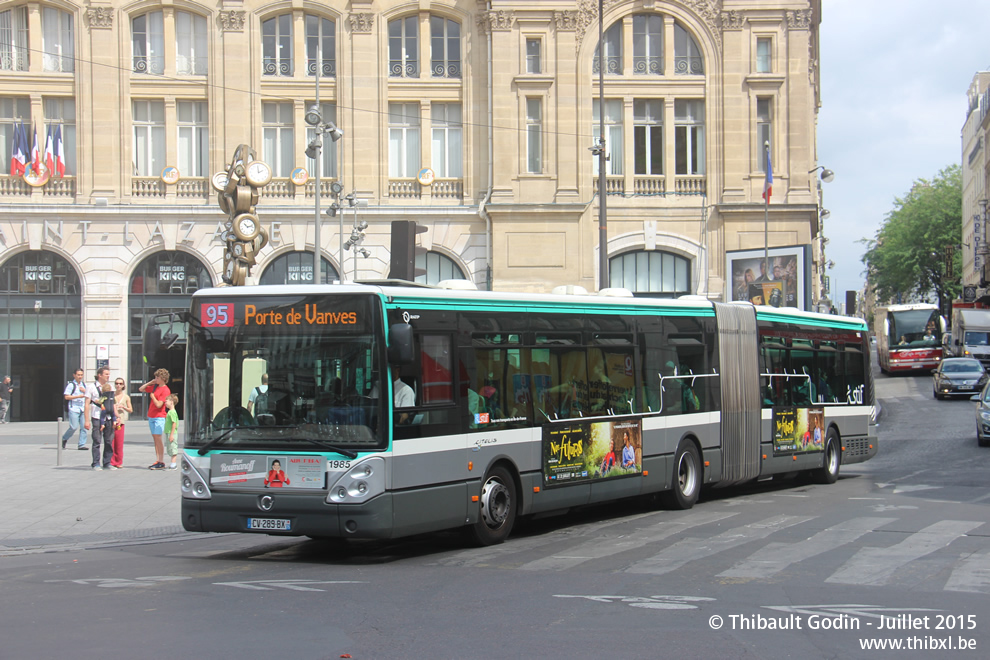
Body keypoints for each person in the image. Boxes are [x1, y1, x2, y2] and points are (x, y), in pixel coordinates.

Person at [139, 368, 171, 470]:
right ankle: (158, 459)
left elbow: (159, 405)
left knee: (158, 438)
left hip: (159, 416)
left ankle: (161, 460)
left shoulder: (165, 390)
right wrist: (150, 382)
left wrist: (152, 397)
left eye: (157, 377)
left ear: (163, 378)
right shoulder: (154, 387)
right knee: (155, 438)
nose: (156, 379)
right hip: (151, 415)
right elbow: (141, 389)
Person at [84, 367, 111, 470]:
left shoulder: (110, 387)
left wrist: (115, 417)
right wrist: (86, 420)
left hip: (108, 416)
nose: (108, 376)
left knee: (108, 440)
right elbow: (87, 404)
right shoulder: (91, 387)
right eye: (106, 374)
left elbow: (112, 403)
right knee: (97, 440)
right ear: (99, 375)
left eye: (108, 374)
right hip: (96, 416)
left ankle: (107, 462)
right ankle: (95, 463)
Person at [61, 368, 88, 450]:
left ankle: (81, 444)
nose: (80, 376)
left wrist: (85, 391)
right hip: (74, 408)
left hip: (82, 408)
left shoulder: (83, 385)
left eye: (81, 375)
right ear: (74, 375)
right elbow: (66, 396)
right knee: (74, 427)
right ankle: (64, 438)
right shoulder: (71, 385)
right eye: (78, 375)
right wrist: (78, 396)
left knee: (84, 427)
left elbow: (88, 395)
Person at [110, 377, 133, 469]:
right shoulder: (112, 395)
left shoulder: (126, 397)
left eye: (120, 383)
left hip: (121, 421)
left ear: (123, 385)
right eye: (116, 383)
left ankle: (118, 461)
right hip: (112, 420)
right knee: (111, 442)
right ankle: (111, 461)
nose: (118, 385)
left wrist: (123, 407)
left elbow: (131, 409)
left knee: (119, 442)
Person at [96, 382, 116, 470]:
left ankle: (106, 462)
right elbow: (113, 409)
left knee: (106, 440)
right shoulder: (111, 398)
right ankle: (107, 462)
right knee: (108, 441)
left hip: (105, 417)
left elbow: (99, 402)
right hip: (110, 418)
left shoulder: (105, 397)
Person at [163, 394, 180, 470]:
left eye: (166, 401)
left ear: (171, 402)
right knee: (170, 448)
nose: (165, 403)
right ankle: (172, 464)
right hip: (169, 432)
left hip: (171, 433)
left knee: (173, 448)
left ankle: (173, 464)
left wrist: (171, 435)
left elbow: (174, 423)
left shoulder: (172, 412)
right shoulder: (170, 412)